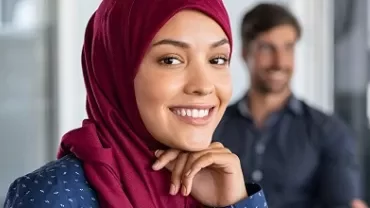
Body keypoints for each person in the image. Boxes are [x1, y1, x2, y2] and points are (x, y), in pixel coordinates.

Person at [3, 0, 268, 208]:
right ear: (117, 71)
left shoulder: (218, 185)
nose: (203, 85)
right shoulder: (54, 195)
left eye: (218, 59)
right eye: (171, 60)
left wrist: (235, 202)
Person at [213, 3, 368, 208]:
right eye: (267, 48)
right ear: (244, 52)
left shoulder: (328, 131)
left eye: (288, 47)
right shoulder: (214, 125)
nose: (280, 61)